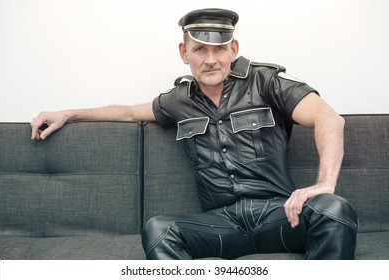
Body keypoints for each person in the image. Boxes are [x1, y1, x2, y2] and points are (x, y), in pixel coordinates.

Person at [30, 8, 359, 259]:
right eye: (200, 50)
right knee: (159, 229)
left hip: (280, 216)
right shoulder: (178, 100)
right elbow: (129, 111)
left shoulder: (266, 81)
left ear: (233, 49)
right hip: (221, 225)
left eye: (219, 49)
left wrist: (323, 185)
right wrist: (69, 113)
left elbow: (329, 118)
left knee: (334, 209)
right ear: (184, 53)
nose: (211, 60)